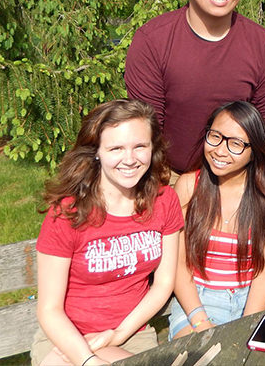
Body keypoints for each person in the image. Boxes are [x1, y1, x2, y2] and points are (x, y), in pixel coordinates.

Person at [32, 99, 184, 366]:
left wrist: (118, 334)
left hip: (131, 334)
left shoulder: (164, 200)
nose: (130, 159)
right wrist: (89, 360)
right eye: (116, 148)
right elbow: (49, 310)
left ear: (152, 148)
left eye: (140, 146)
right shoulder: (68, 213)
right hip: (67, 338)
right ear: (97, 151)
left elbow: (163, 284)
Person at [125, 0, 265, 176]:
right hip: (170, 177)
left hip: (237, 177)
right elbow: (145, 128)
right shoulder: (152, 40)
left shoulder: (258, 40)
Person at [168, 101, 265, 338]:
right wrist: (200, 321)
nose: (220, 151)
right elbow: (178, 267)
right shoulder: (188, 186)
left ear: (255, 150)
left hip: (253, 299)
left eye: (236, 144)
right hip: (196, 300)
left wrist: (246, 326)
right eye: (215, 137)